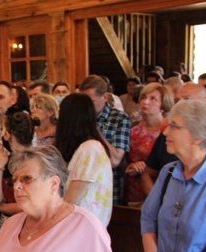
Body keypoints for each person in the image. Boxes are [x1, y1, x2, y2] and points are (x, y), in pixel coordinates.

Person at [141, 100, 206, 252]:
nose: (166, 132)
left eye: (174, 126)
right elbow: (148, 218)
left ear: (198, 136)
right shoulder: (168, 172)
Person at [56, 93, 113, 226]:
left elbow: (74, 195)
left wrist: (52, 222)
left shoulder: (90, 148)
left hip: (84, 226)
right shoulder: (86, 147)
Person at [140, 82, 206, 195]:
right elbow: (148, 174)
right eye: (176, 101)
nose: (179, 105)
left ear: (205, 102)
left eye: (186, 99)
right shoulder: (166, 136)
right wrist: (158, 201)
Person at [80, 75, 131, 205]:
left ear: (105, 97)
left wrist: (94, 129)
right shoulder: (78, 117)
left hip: (107, 188)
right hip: (81, 186)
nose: (86, 107)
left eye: (91, 102)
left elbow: (115, 160)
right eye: (83, 102)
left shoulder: (120, 118)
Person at [124, 83, 173, 204]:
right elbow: (124, 162)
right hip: (134, 190)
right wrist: (132, 166)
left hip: (162, 190)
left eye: (153, 99)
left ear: (163, 106)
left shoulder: (170, 131)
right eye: (143, 97)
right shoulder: (133, 130)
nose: (145, 102)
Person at [0, 111, 34, 226]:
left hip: (26, 221)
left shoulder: (34, 162)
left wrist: (1, 207)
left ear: (7, 134)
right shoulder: (7, 160)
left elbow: (30, 204)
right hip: (10, 222)